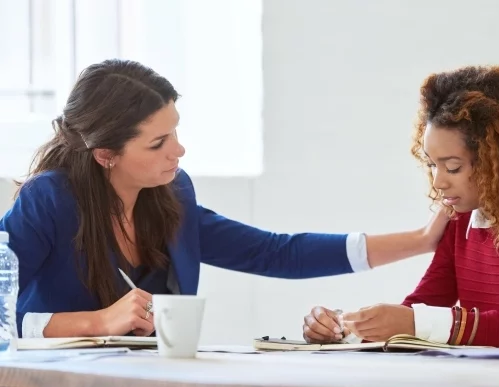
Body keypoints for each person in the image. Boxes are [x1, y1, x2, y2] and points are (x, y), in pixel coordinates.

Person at [0, 59, 451, 339]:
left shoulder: (171, 194)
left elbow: (276, 253)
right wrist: (96, 322)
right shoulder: (49, 200)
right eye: (157, 143)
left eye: (175, 132)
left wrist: (422, 239)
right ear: (106, 155)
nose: (178, 150)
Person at [303, 65, 499, 353]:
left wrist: (414, 323)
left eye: (453, 167)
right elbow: (422, 310)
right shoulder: (460, 217)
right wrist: (347, 329)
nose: (439, 182)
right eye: (432, 165)